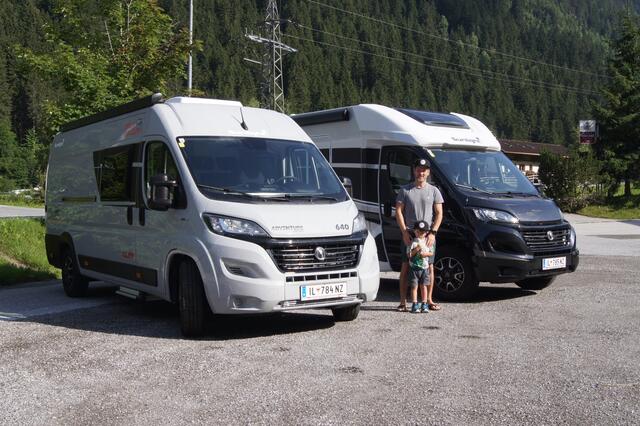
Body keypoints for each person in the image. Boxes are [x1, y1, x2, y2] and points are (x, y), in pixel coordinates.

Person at [395, 157, 444, 312]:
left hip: (427, 236)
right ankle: (403, 302)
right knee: (405, 267)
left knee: (429, 268)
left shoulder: (434, 191)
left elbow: (439, 213)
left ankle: (428, 300)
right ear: (414, 171)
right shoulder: (405, 190)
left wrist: (433, 233)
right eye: (418, 169)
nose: (421, 172)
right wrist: (404, 232)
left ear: (428, 172)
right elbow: (398, 211)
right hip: (410, 235)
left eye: (424, 170)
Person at [407, 221, 434, 313]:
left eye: (423, 232)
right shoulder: (413, 242)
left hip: (424, 268)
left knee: (424, 286)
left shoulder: (427, 242)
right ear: (415, 231)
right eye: (418, 232)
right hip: (414, 268)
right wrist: (416, 249)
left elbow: (431, 252)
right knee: (414, 286)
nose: (420, 234)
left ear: (426, 232)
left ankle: (424, 303)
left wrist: (425, 254)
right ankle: (415, 304)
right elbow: (409, 255)